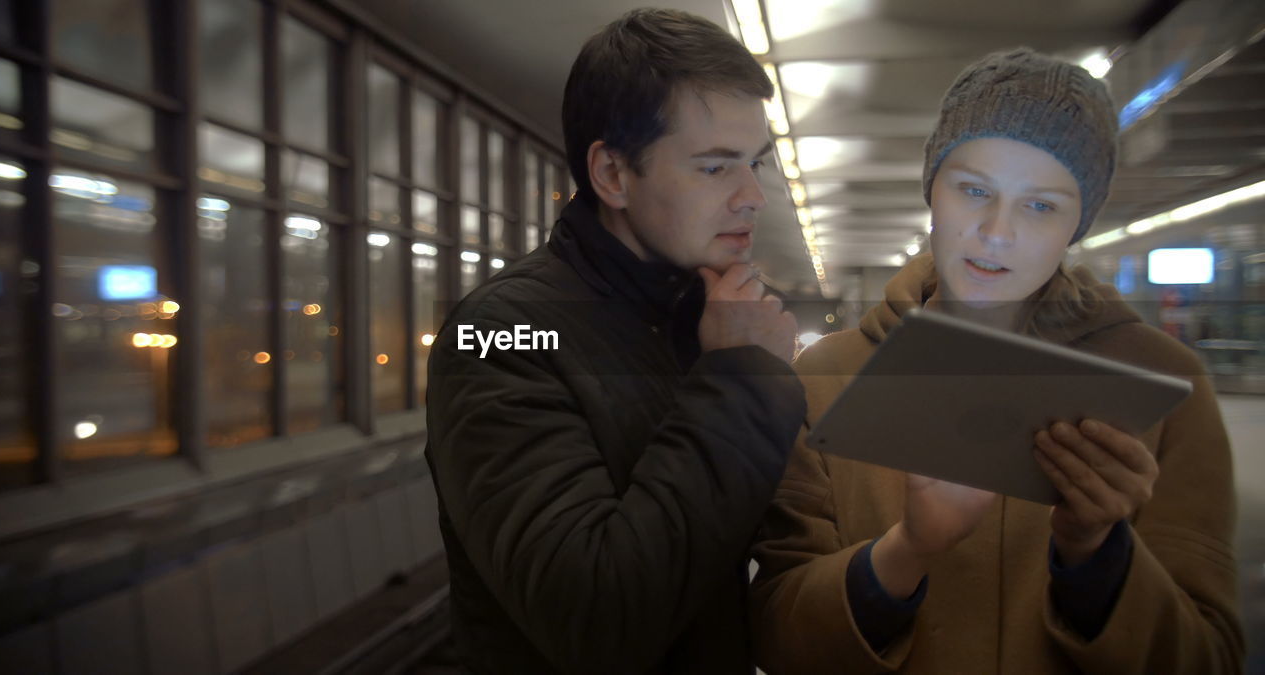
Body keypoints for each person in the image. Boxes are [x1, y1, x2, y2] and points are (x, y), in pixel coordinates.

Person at [750, 48, 1243, 674]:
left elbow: (1211, 658)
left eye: (1041, 205)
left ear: (1077, 225)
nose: (996, 231)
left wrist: (1098, 557)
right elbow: (777, 633)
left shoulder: (1165, 387)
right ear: (933, 190)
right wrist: (906, 551)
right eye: (974, 189)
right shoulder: (824, 381)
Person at [425, 8, 806, 674]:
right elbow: (597, 617)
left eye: (756, 164)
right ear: (612, 175)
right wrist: (742, 379)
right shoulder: (500, 334)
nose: (753, 197)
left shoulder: (705, 318)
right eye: (716, 168)